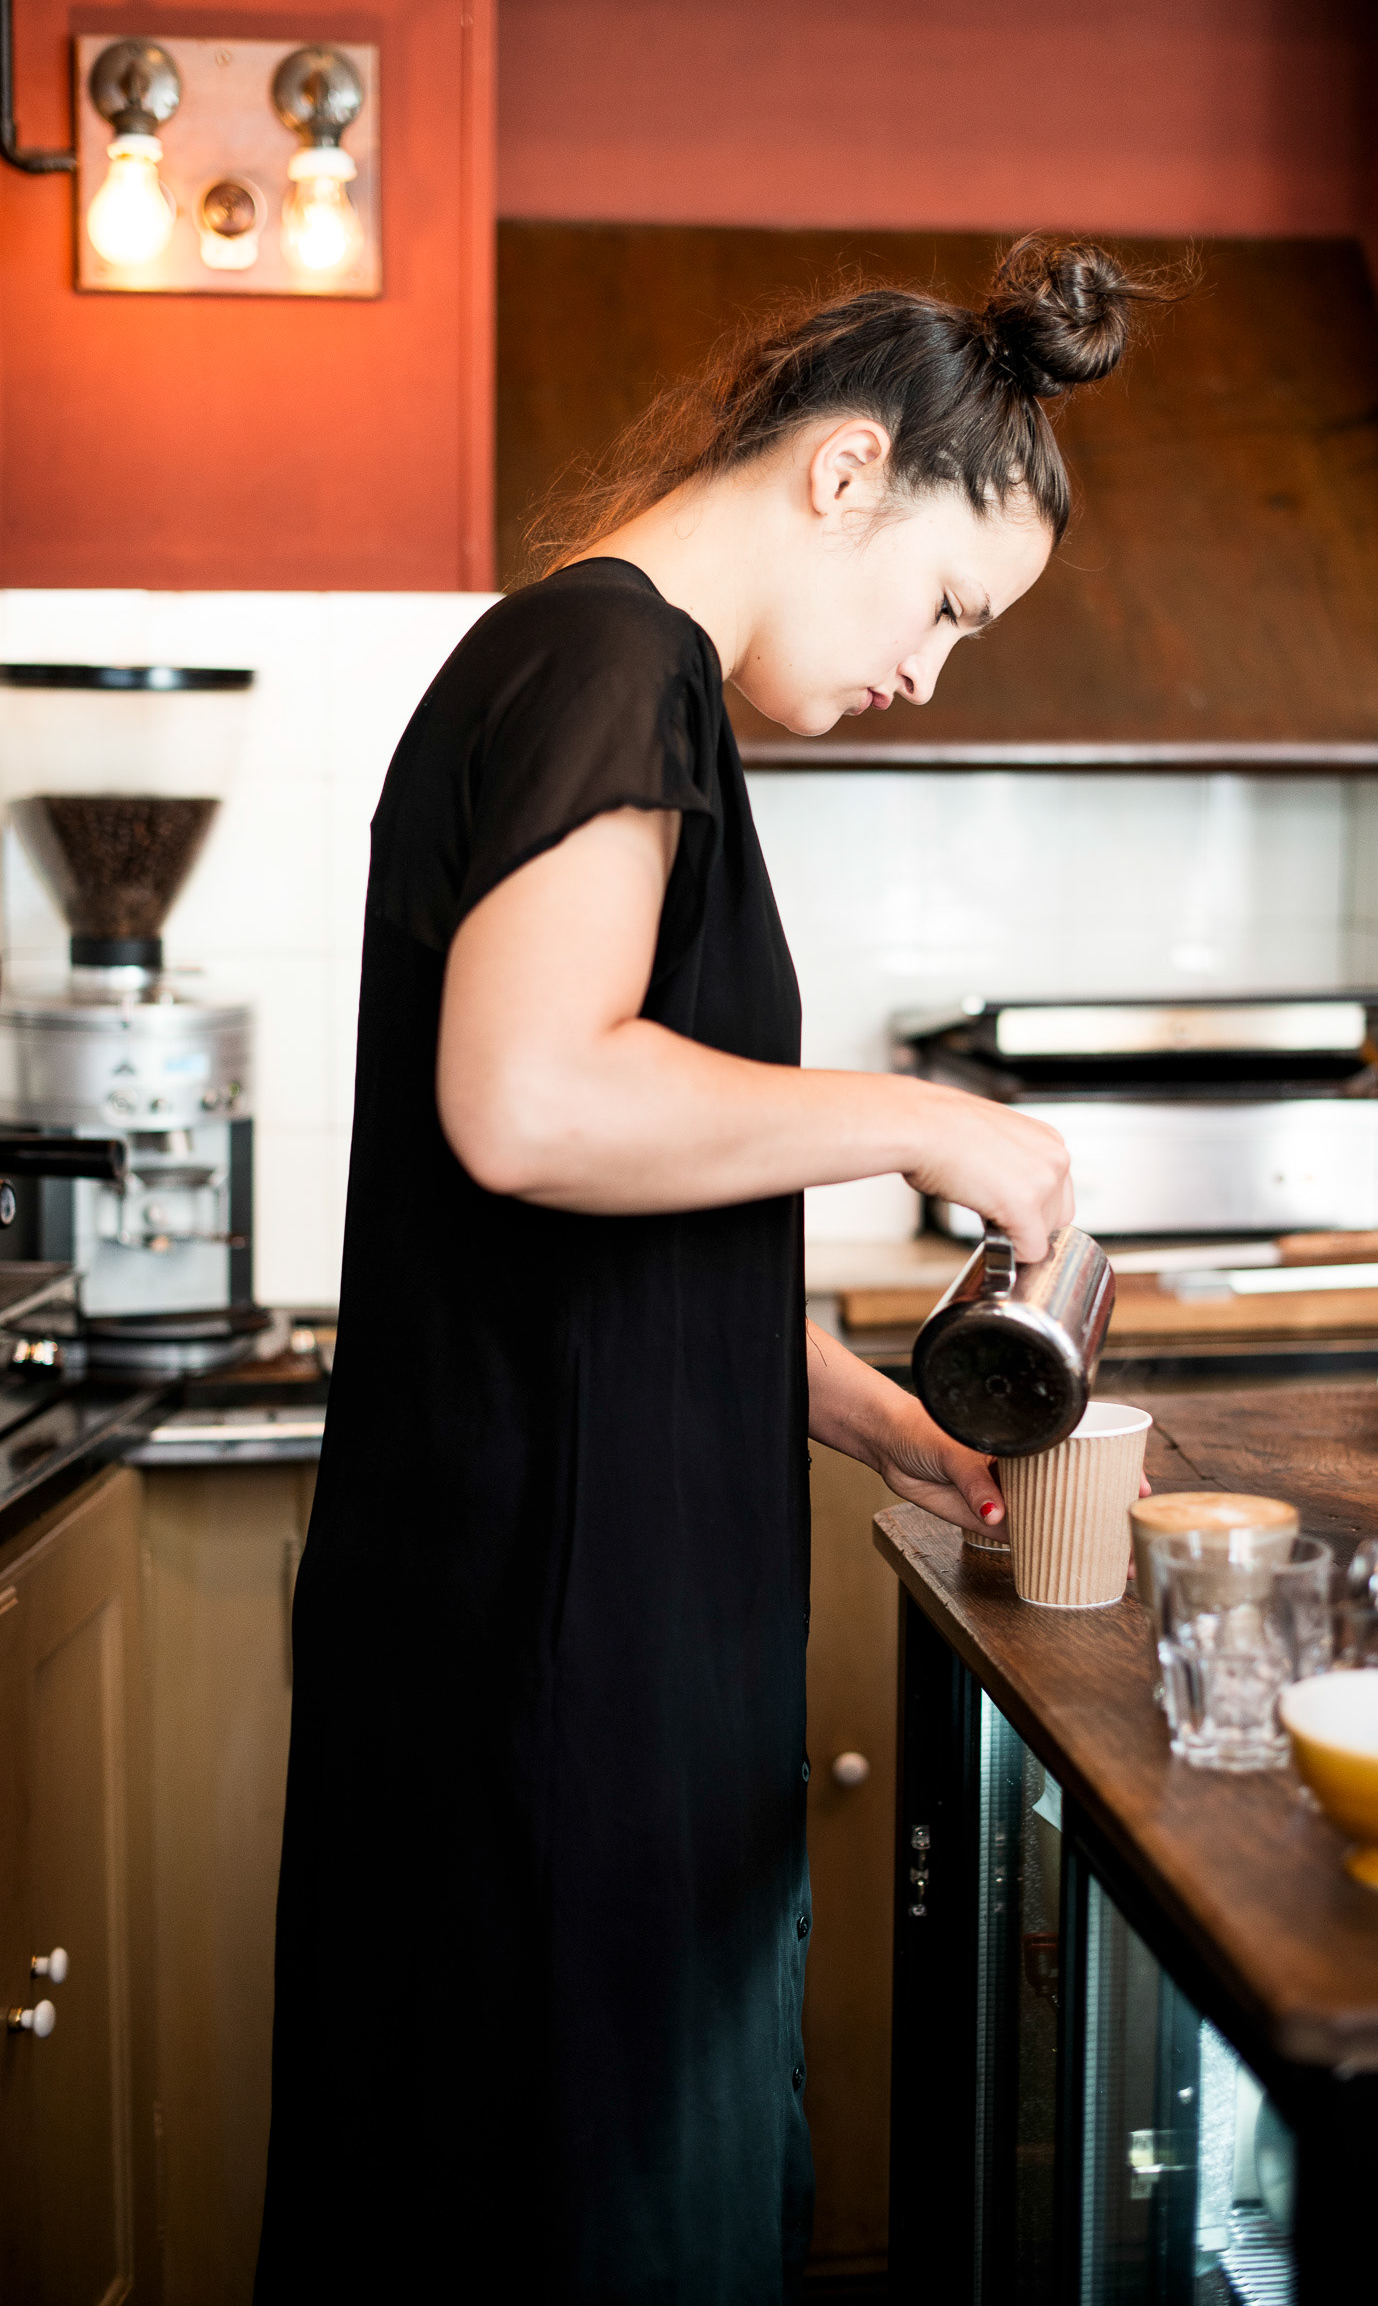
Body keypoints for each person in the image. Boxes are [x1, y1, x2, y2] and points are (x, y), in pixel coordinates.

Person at [254, 236, 1168, 2305]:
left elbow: (614, 1244)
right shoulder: (605, 662)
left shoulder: (618, 674)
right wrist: (920, 1117)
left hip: (583, 1647)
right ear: (847, 474)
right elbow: (531, 1102)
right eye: (949, 606)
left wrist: (868, 1412)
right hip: (545, 1675)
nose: (929, 673)